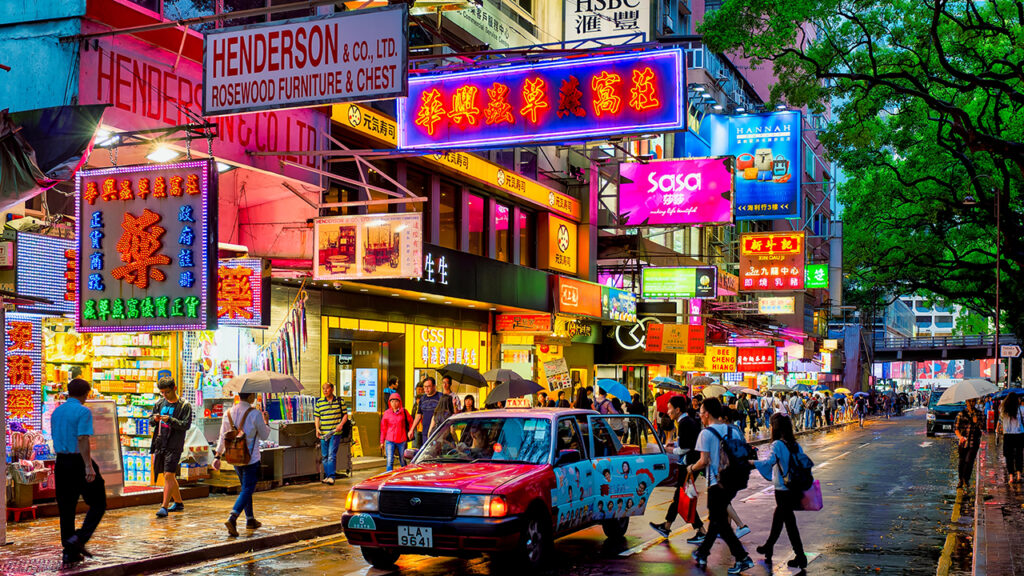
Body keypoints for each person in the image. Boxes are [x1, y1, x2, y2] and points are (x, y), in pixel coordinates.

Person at [687, 397, 754, 574]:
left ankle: (743, 558)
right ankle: (703, 552)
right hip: (734, 480)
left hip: (717, 482)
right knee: (717, 520)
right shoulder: (731, 429)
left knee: (721, 524)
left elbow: (704, 461)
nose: (700, 416)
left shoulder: (706, 433)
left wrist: (690, 468)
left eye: (701, 412)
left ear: (707, 414)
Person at [52, 378, 106, 567]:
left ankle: (69, 552)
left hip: (60, 462)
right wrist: (88, 466)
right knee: (98, 502)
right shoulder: (83, 411)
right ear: (86, 393)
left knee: (66, 508)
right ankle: (79, 538)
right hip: (77, 461)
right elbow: (82, 438)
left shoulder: (57, 411)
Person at [754, 414, 807, 568]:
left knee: (789, 522)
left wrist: (752, 462)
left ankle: (800, 555)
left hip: (782, 489)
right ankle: (768, 547)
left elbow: (769, 462)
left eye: (771, 425)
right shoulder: (796, 444)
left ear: (775, 427)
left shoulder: (777, 444)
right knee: (779, 518)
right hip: (794, 487)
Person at [214, 392, 270, 537]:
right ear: (251, 396)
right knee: (247, 489)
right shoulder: (256, 414)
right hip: (251, 458)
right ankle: (233, 517)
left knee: (246, 488)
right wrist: (266, 422)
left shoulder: (228, 413)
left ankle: (250, 519)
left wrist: (218, 455)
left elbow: (222, 436)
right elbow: (264, 435)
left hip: (234, 457)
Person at [650, 396, 706, 540]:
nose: (668, 412)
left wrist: (671, 450)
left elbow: (686, 448)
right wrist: (674, 445)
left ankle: (700, 530)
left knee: (683, 497)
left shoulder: (685, 423)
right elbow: (686, 443)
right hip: (689, 464)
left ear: (677, 409)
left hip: (689, 466)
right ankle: (668, 526)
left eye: (670, 409)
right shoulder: (686, 422)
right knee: (680, 496)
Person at [149, 376, 193, 517]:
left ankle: (164, 507)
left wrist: (171, 420)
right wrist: (154, 419)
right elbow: (151, 421)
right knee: (168, 475)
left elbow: (185, 425)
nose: (164, 395)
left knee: (168, 474)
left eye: (167, 392)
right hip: (161, 442)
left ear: (174, 388)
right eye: (162, 392)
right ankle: (178, 503)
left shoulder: (184, 405)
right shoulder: (160, 403)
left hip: (175, 444)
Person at [314, 382, 349, 485]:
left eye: (327, 388)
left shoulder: (340, 401)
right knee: (324, 456)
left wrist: (341, 424)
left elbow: (345, 415)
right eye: (323, 388)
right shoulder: (319, 402)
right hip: (323, 434)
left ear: (332, 389)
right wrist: (317, 428)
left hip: (335, 433)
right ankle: (328, 476)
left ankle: (331, 477)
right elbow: (317, 416)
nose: (325, 390)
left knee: (331, 455)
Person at [954, 397, 984, 490]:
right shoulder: (961, 414)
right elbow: (956, 428)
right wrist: (960, 437)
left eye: (973, 401)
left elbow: (983, 426)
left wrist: (977, 422)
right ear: (966, 402)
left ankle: (966, 480)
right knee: (962, 461)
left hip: (974, 442)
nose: (971, 403)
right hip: (963, 442)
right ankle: (960, 480)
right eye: (969, 401)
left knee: (969, 461)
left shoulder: (979, 413)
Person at [380, 393, 411, 472]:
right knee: (390, 460)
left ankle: (404, 475)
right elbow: (383, 428)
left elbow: (411, 422)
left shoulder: (404, 412)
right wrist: (381, 441)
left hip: (402, 439)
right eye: (392, 401)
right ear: (389, 402)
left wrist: (411, 432)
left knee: (402, 460)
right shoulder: (386, 413)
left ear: (399, 402)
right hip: (390, 440)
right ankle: (389, 477)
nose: (394, 403)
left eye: (396, 401)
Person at [997, 392, 1024, 483]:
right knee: (1019, 455)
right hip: (1019, 434)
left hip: (1008, 436)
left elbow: (1000, 422)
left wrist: (997, 430)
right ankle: (1019, 475)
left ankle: (1011, 477)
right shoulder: (1021, 409)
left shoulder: (1003, 410)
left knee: (1009, 456)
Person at [409, 377, 442, 443]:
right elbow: (419, 415)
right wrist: (412, 429)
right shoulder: (422, 398)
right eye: (425, 386)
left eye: (428, 386)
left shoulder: (440, 397)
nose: (426, 389)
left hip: (438, 432)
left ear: (434, 386)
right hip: (425, 432)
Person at [410, 382, 426, 447]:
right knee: (415, 445)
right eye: (418, 389)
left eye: (421, 389)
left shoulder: (425, 401)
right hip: (416, 427)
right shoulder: (415, 404)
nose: (419, 391)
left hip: (423, 427)